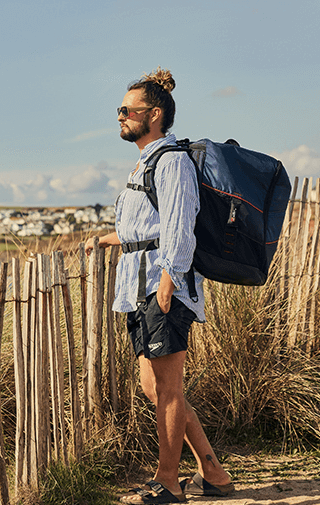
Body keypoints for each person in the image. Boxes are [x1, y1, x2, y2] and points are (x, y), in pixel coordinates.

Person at [85, 68, 234, 504]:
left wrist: (169, 279)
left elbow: (179, 225)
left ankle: (168, 481)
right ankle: (214, 473)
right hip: (140, 284)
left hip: (160, 285)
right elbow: (146, 225)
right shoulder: (147, 161)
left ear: (152, 114)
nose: (119, 117)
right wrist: (107, 238)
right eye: (119, 110)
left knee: (168, 388)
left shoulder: (171, 161)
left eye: (126, 110)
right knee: (154, 388)